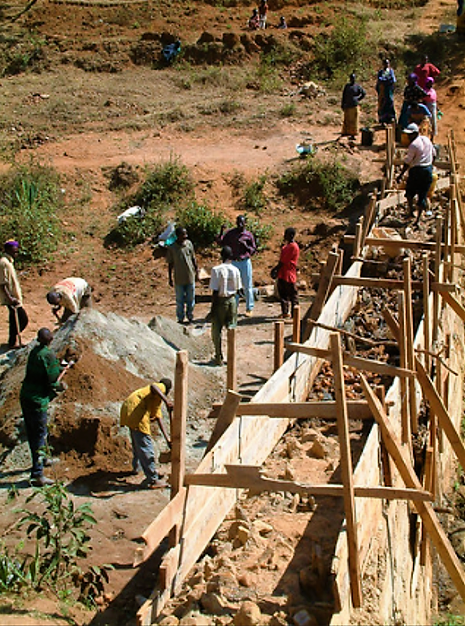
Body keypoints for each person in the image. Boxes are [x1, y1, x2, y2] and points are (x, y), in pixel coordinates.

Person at [20, 328, 64, 486]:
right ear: (51, 339)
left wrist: (59, 367)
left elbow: (45, 370)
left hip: (26, 396)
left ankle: (43, 458)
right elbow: (52, 380)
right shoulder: (49, 355)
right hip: (37, 401)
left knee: (36, 432)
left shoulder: (35, 352)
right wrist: (61, 384)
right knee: (39, 434)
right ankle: (37, 474)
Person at [120, 379, 173, 489]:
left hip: (128, 409)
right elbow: (153, 386)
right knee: (145, 446)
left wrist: (167, 438)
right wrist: (166, 400)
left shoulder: (155, 400)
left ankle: (137, 468)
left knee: (138, 443)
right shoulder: (162, 387)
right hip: (136, 410)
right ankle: (152, 480)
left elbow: (158, 418)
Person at [396, 123, 436, 225]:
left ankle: (411, 213)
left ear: (415, 134)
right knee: (422, 195)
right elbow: (434, 154)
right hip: (427, 170)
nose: (408, 136)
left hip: (417, 171)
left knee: (409, 193)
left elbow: (407, 162)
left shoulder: (413, 145)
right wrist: (430, 166)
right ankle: (418, 218)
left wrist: (400, 175)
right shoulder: (427, 140)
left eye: (410, 134)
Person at [209, 246, 242, 366]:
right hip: (232, 301)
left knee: (216, 330)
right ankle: (231, 357)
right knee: (231, 329)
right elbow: (238, 289)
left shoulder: (216, 270)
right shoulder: (236, 270)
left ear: (221, 256)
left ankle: (218, 357)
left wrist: (212, 309)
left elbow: (215, 291)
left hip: (220, 302)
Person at [218, 215, 256, 317]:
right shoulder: (231, 234)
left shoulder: (248, 235)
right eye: (238, 222)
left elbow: (253, 250)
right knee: (234, 286)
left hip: (245, 261)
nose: (239, 224)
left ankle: (249, 308)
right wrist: (221, 231)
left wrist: (245, 246)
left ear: (245, 223)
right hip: (234, 262)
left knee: (248, 286)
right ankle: (234, 308)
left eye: (241, 222)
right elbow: (221, 242)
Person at [166, 227, 198, 324]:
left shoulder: (189, 244)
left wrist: (197, 271)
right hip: (179, 278)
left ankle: (190, 317)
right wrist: (170, 278)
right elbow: (170, 264)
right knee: (180, 301)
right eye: (183, 234)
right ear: (178, 236)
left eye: (186, 234)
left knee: (191, 299)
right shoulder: (172, 248)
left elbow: (193, 258)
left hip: (190, 277)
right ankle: (180, 318)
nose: (185, 236)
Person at [0, 240, 28, 348]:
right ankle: (13, 341)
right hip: (10, 298)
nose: (16, 253)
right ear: (7, 250)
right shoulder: (3, 263)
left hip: (14, 296)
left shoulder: (9, 262)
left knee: (14, 320)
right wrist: (10, 298)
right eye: (14, 251)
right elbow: (2, 283)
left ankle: (12, 341)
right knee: (22, 319)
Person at [274, 227, 300, 319]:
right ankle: (285, 312)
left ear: (291, 235)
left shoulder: (293, 247)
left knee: (293, 295)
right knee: (283, 294)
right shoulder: (287, 246)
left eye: (286, 234)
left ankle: (295, 314)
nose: (284, 236)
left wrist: (275, 269)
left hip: (288, 273)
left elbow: (284, 261)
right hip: (283, 272)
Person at [341, 73, 366, 139]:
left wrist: (358, 99)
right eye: (351, 78)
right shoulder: (347, 86)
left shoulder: (357, 86)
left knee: (354, 121)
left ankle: (353, 134)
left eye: (354, 78)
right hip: (347, 105)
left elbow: (363, 93)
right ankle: (346, 133)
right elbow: (344, 96)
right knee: (347, 119)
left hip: (354, 105)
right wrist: (342, 104)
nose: (352, 80)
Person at [376, 59, 396, 124]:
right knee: (382, 104)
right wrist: (385, 80)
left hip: (389, 91)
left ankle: (391, 118)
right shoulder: (381, 72)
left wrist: (385, 81)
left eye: (387, 63)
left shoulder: (390, 71)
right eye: (385, 63)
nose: (386, 65)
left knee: (390, 102)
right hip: (382, 91)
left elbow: (392, 80)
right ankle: (382, 119)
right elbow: (379, 79)